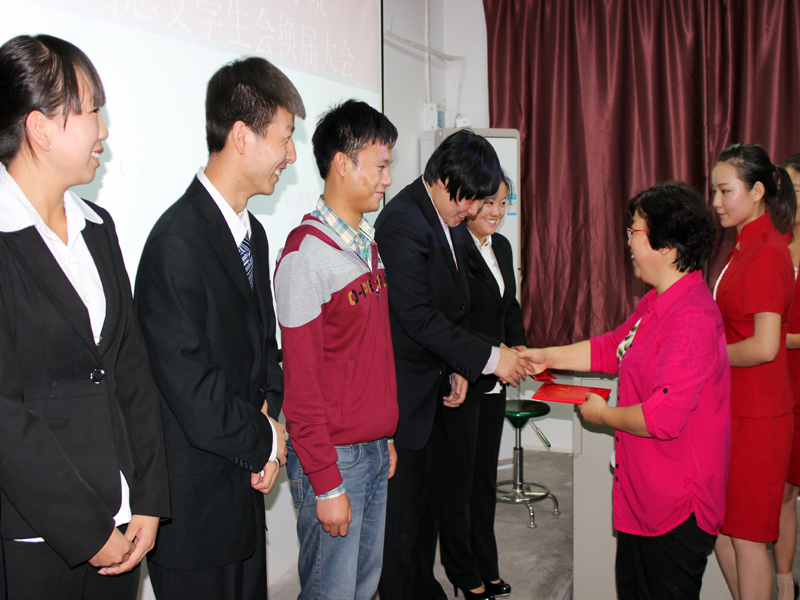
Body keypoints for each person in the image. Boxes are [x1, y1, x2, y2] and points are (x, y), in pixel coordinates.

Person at [0, 34, 170, 599]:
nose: (104, 130)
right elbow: (6, 418)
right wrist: (88, 530)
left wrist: (148, 498)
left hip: (123, 524)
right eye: (92, 110)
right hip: (37, 538)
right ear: (40, 128)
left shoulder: (98, 227)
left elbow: (131, 371)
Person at [134, 57, 304, 600]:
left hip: (244, 495)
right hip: (195, 517)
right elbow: (192, 389)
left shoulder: (253, 233)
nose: (291, 155)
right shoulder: (176, 243)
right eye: (285, 137)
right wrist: (266, 441)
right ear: (242, 136)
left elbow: (265, 350)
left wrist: (269, 430)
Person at [519, 182, 731, 600]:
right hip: (643, 492)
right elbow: (612, 348)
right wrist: (546, 356)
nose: (628, 242)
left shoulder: (692, 318)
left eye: (634, 231)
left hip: (676, 503)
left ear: (666, 246)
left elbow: (662, 418)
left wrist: (602, 416)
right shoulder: (656, 303)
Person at [375, 129, 531, 600]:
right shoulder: (402, 222)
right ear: (444, 180)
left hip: (440, 390)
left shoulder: (451, 222)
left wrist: (460, 368)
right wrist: (490, 358)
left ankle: (425, 588)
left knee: (427, 515)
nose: (474, 210)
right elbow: (418, 317)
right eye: (469, 199)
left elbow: (456, 309)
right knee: (402, 527)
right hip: (407, 401)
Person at [274, 99, 399, 600]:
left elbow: (367, 359)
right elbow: (301, 388)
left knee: (363, 588)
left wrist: (382, 433)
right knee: (331, 592)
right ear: (343, 164)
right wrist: (326, 482)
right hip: (335, 460)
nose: (388, 179)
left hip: (371, 450)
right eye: (381, 165)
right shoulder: (305, 256)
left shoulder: (366, 245)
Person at [710, 143, 796, 600]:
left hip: (759, 416)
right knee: (723, 527)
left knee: (746, 536)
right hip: (735, 407)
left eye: (726, 191)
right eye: (715, 191)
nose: (716, 201)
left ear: (758, 191)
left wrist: (704, 355)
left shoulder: (766, 252)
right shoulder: (742, 246)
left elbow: (765, 346)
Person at [438, 174, 525, 599]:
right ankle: (462, 571)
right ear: (470, 203)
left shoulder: (501, 246)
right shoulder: (454, 248)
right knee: (459, 483)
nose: (496, 211)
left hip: (496, 380)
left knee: (484, 480)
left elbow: (509, 306)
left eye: (503, 203)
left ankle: (486, 565)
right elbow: (455, 321)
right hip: (465, 377)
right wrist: (497, 353)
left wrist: (519, 345)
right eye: (489, 201)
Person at [773, 153, 800, 600]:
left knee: (787, 490)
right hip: (773, 384)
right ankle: (782, 579)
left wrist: (769, 337)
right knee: (778, 491)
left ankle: (783, 579)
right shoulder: (773, 244)